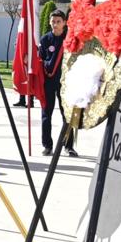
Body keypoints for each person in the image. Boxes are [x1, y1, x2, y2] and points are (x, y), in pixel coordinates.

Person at [38, 9, 77, 157]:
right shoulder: (45, 40)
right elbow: (40, 60)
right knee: (46, 114)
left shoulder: (69, 39)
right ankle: (47, 145)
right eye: (53, 21)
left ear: (65, 23)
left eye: (58, 21)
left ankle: (68, 146)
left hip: (65, 83)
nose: (55, 24)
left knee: (67, 114)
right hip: (48, 82)